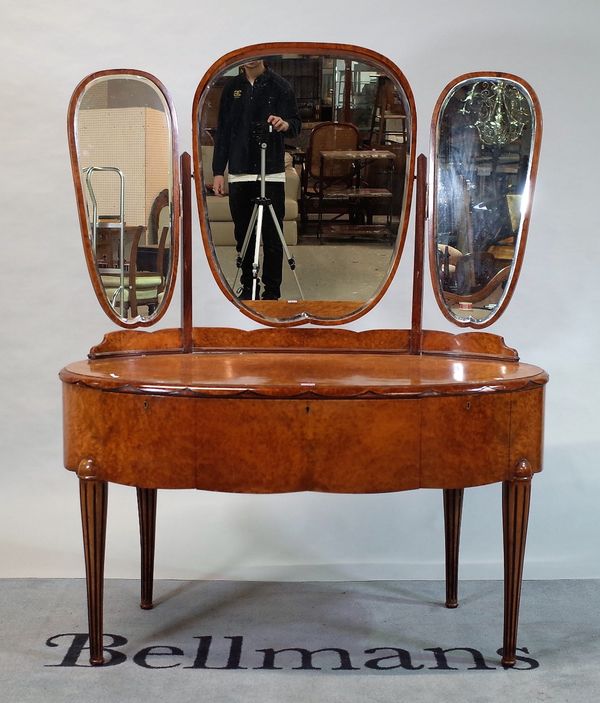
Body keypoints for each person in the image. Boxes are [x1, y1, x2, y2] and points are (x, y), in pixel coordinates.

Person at [212, 60, 301, 300]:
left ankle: (272, 293)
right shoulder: (232, 88)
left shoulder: (280, 86)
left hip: (271, 171)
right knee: (244, 236)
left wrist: (285, 125)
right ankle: (249, 287)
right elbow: (223, 131)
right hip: (240, 171)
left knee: (273, 238)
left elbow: (296, 125)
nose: (251, 58)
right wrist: (218, 171)